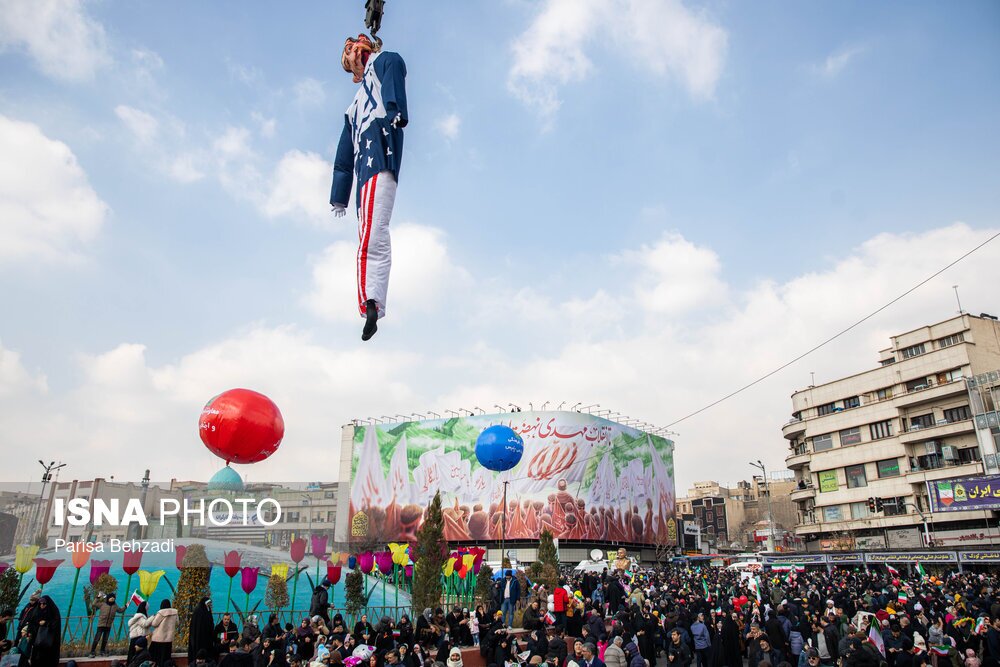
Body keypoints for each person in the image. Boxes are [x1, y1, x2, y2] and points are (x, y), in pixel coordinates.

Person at [330, 32, 409, 341]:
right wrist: (339, 196)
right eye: (348, 48)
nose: (353, 46)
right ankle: (371, 300)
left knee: (374, 232)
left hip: (380, 157)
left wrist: (395, 111)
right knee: (368, 231)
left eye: (355, 44)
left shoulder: (384, 61)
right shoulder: (353, 108)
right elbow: (343, 154)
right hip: (364, 168)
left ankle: (371, 301)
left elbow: (395, 65)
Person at [29, 595, 61, 667]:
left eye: (44, 603)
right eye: (40, 603)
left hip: (50, 643)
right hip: (38, 642)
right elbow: (32, 622)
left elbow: (56, 623)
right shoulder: (37, 611)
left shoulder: (53, 611)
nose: (42, 605)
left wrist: (46, 623)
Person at [148, 599, 179, 667]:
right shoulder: (175, 612)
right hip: (168, 639)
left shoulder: (161, 612)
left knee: (155, 658)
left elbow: (154, 624)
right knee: (165, 658)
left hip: (158, 639)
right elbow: (177, 623)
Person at [189, 598, 217, 663]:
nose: (209, 604)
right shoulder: (198, 611)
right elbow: (197, 627)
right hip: (199, 637)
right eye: (208, 603)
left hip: (207, 636)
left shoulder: (208, 610)